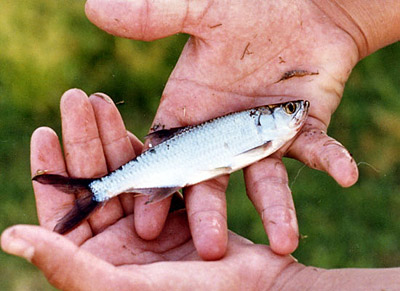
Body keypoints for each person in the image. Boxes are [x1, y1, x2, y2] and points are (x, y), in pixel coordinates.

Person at [1, 91, 400, 290]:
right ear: (270, 119)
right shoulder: (262, 135)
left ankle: (97, 190)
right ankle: (98, 190)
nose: (298, 114)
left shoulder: (265, 133)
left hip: (181, 163)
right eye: (290, 111)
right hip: (177, 164)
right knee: (107, 188)